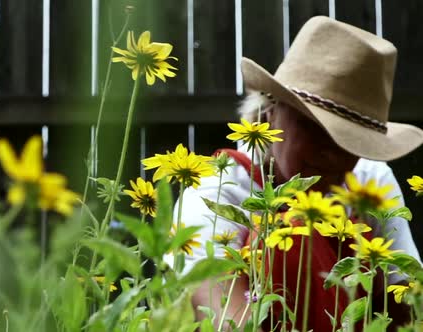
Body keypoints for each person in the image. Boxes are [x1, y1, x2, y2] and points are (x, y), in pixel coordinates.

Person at [166, 16, 423, 331]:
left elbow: (409, 301)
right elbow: (216, 306)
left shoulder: (371, 182)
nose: (333, 153)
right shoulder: (217, 188)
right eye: (315, 128)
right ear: (270, 109)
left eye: (353, 141)